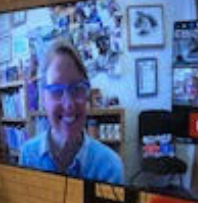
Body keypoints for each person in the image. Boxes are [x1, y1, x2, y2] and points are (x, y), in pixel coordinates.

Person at [19, 40, 123, 184]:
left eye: (77, 89)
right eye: (56, 91)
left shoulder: (110, 166)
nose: (68, 104)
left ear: (86, 94)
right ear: (44, 98)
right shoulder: (28, 155)